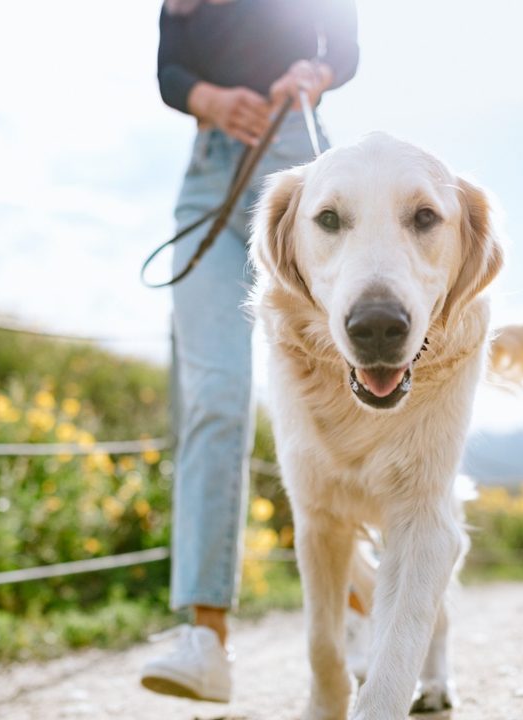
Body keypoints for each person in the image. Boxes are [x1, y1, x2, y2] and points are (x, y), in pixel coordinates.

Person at [141, 0, 359, 703]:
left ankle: (365, 594)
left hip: (297, 159)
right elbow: (169, 66)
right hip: (208, 174)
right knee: (216, 395)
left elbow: (345, 46)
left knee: (334, 384)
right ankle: (206, 637)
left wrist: (314, 72)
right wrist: (208, 97)